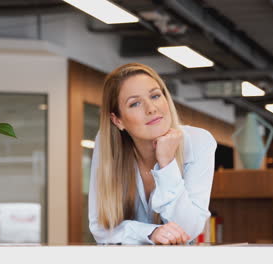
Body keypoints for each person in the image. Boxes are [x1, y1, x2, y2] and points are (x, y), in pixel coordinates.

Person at [88, 63, 217, 245]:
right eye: (135, 103)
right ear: (117, 120)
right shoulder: (107, 143)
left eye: (155, 96)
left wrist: (167, 164)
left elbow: (190, 230)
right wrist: (151, 233)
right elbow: (100, 228)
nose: (151, 108)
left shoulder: (198, 142)